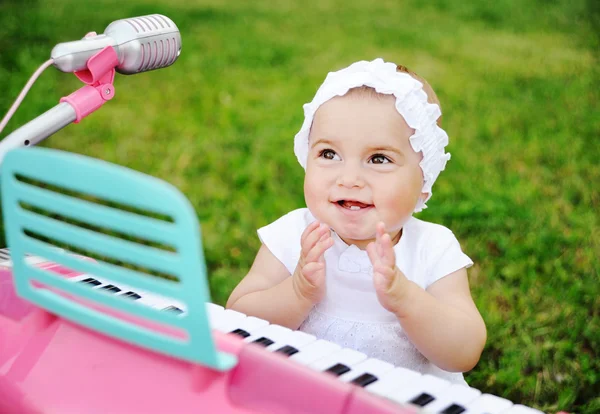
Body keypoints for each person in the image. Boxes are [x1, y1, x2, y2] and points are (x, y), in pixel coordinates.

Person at [226, 58, 486, 384]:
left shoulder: (432, 249)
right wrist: (297, 292)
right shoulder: (294, 235)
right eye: (329, 154)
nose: (348, 178)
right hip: (305, 398)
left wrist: (406, 299)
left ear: (423, 184)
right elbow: (236, 321)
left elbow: (464, 350)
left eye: (378, 159)